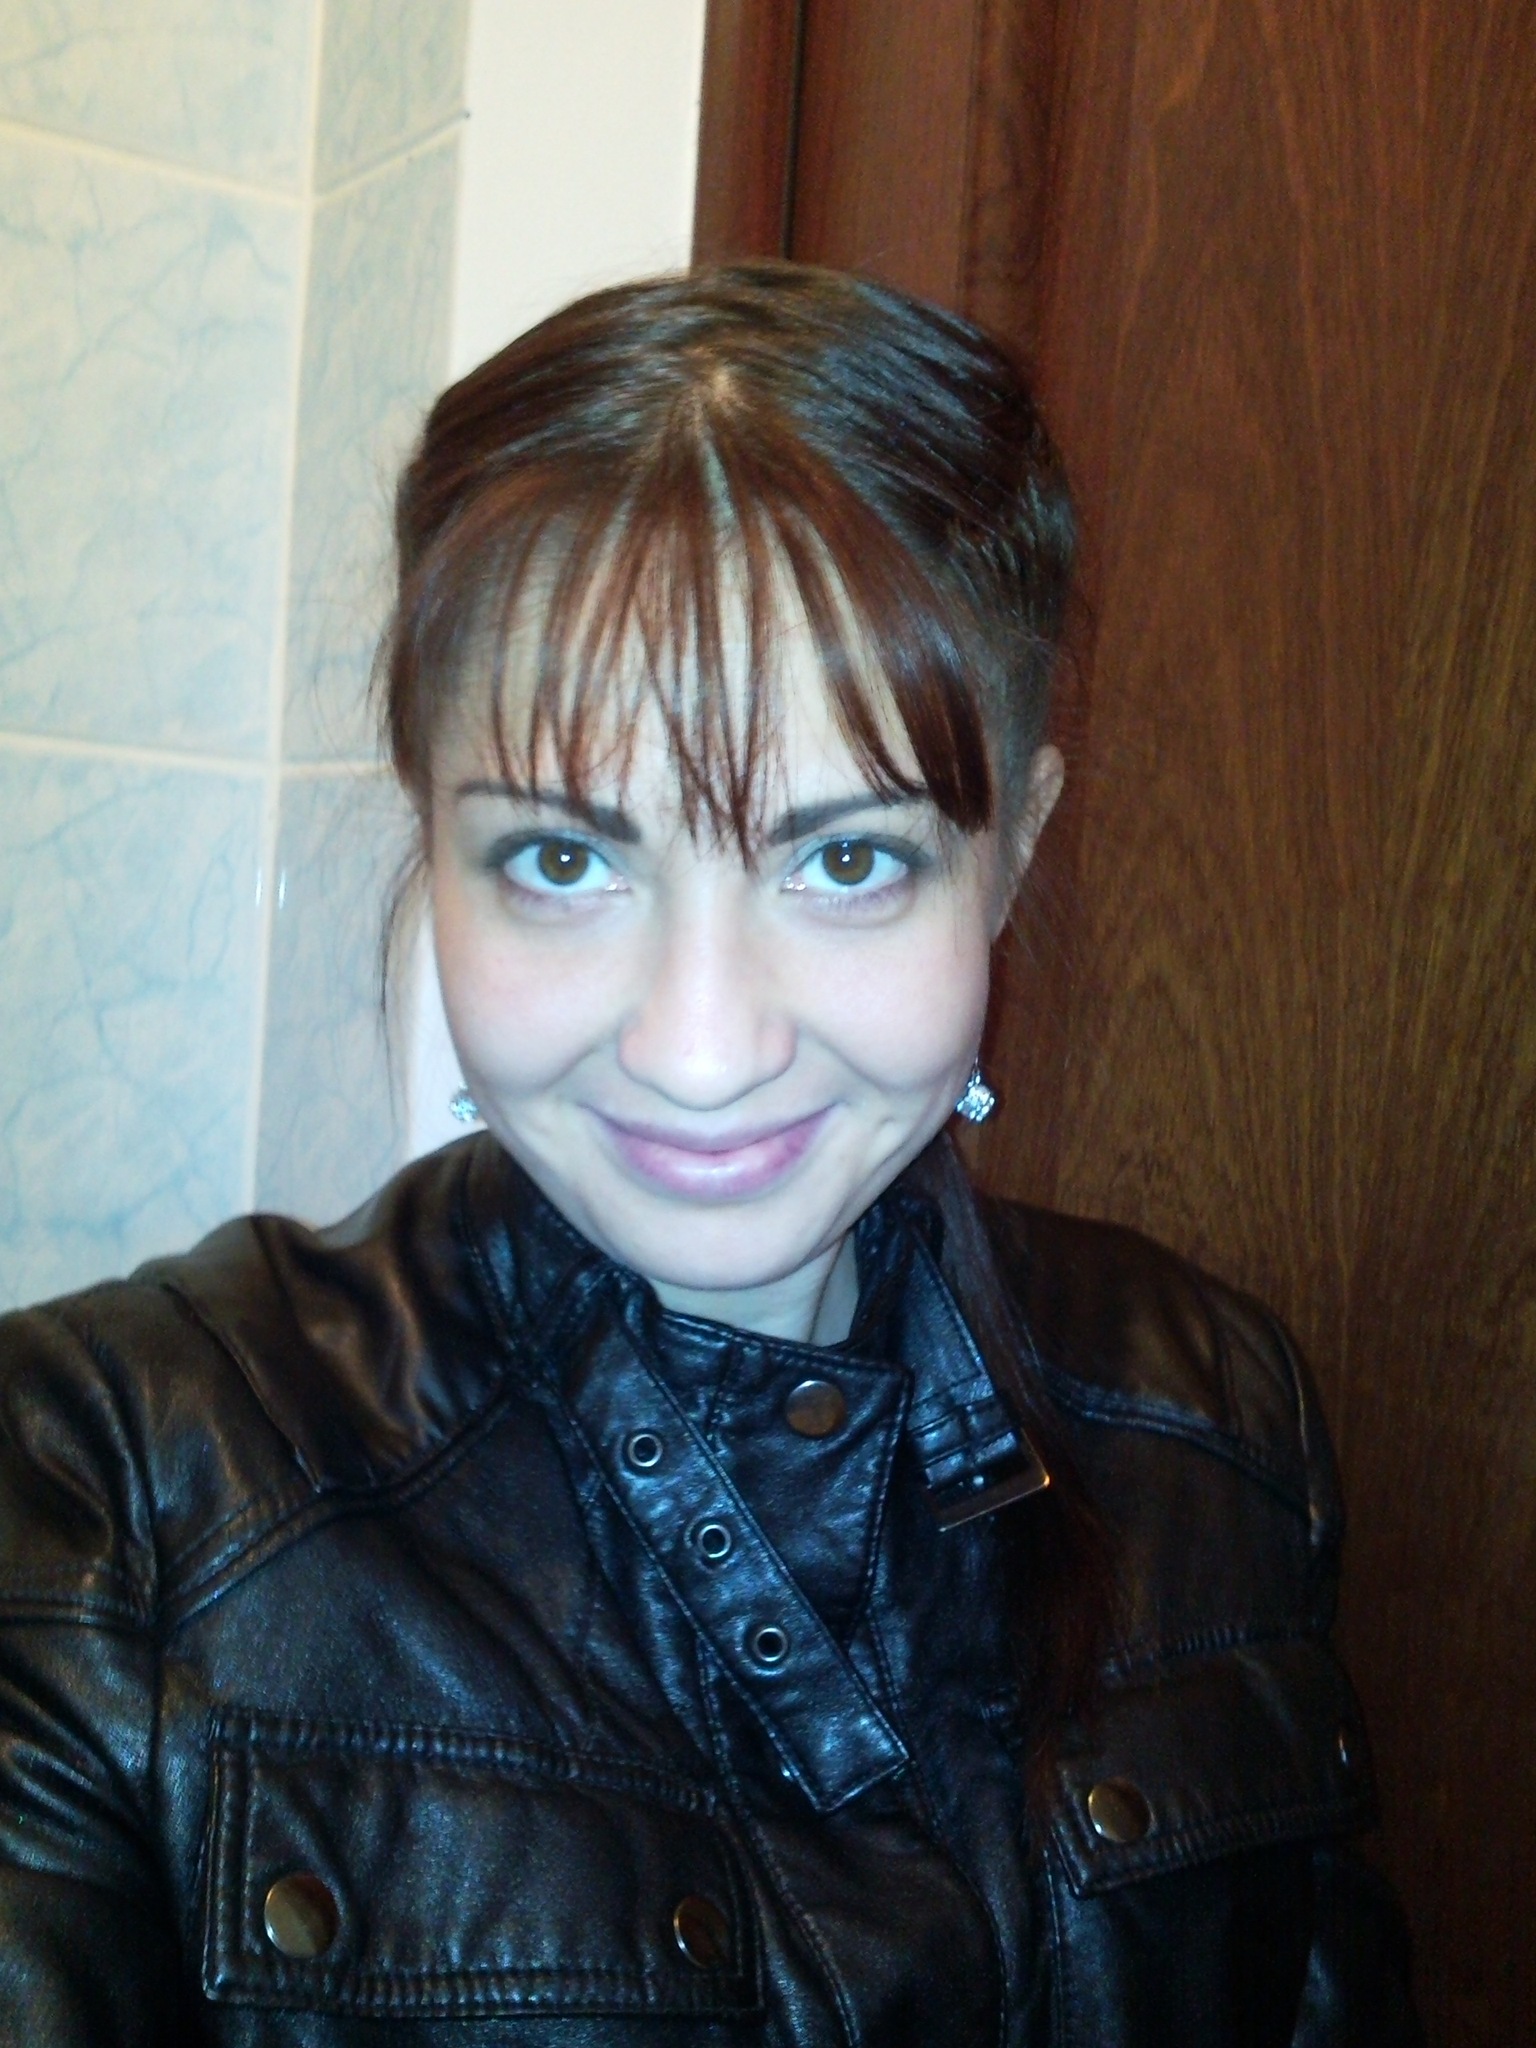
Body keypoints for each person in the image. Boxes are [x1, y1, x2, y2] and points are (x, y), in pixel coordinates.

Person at [0, 263, 1419, 2044]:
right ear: (432, 837)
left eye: (847, 860)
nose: (698, 1050)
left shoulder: (1219, 1421)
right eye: (563, 861)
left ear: (1012, 854)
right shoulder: (105, 1496)